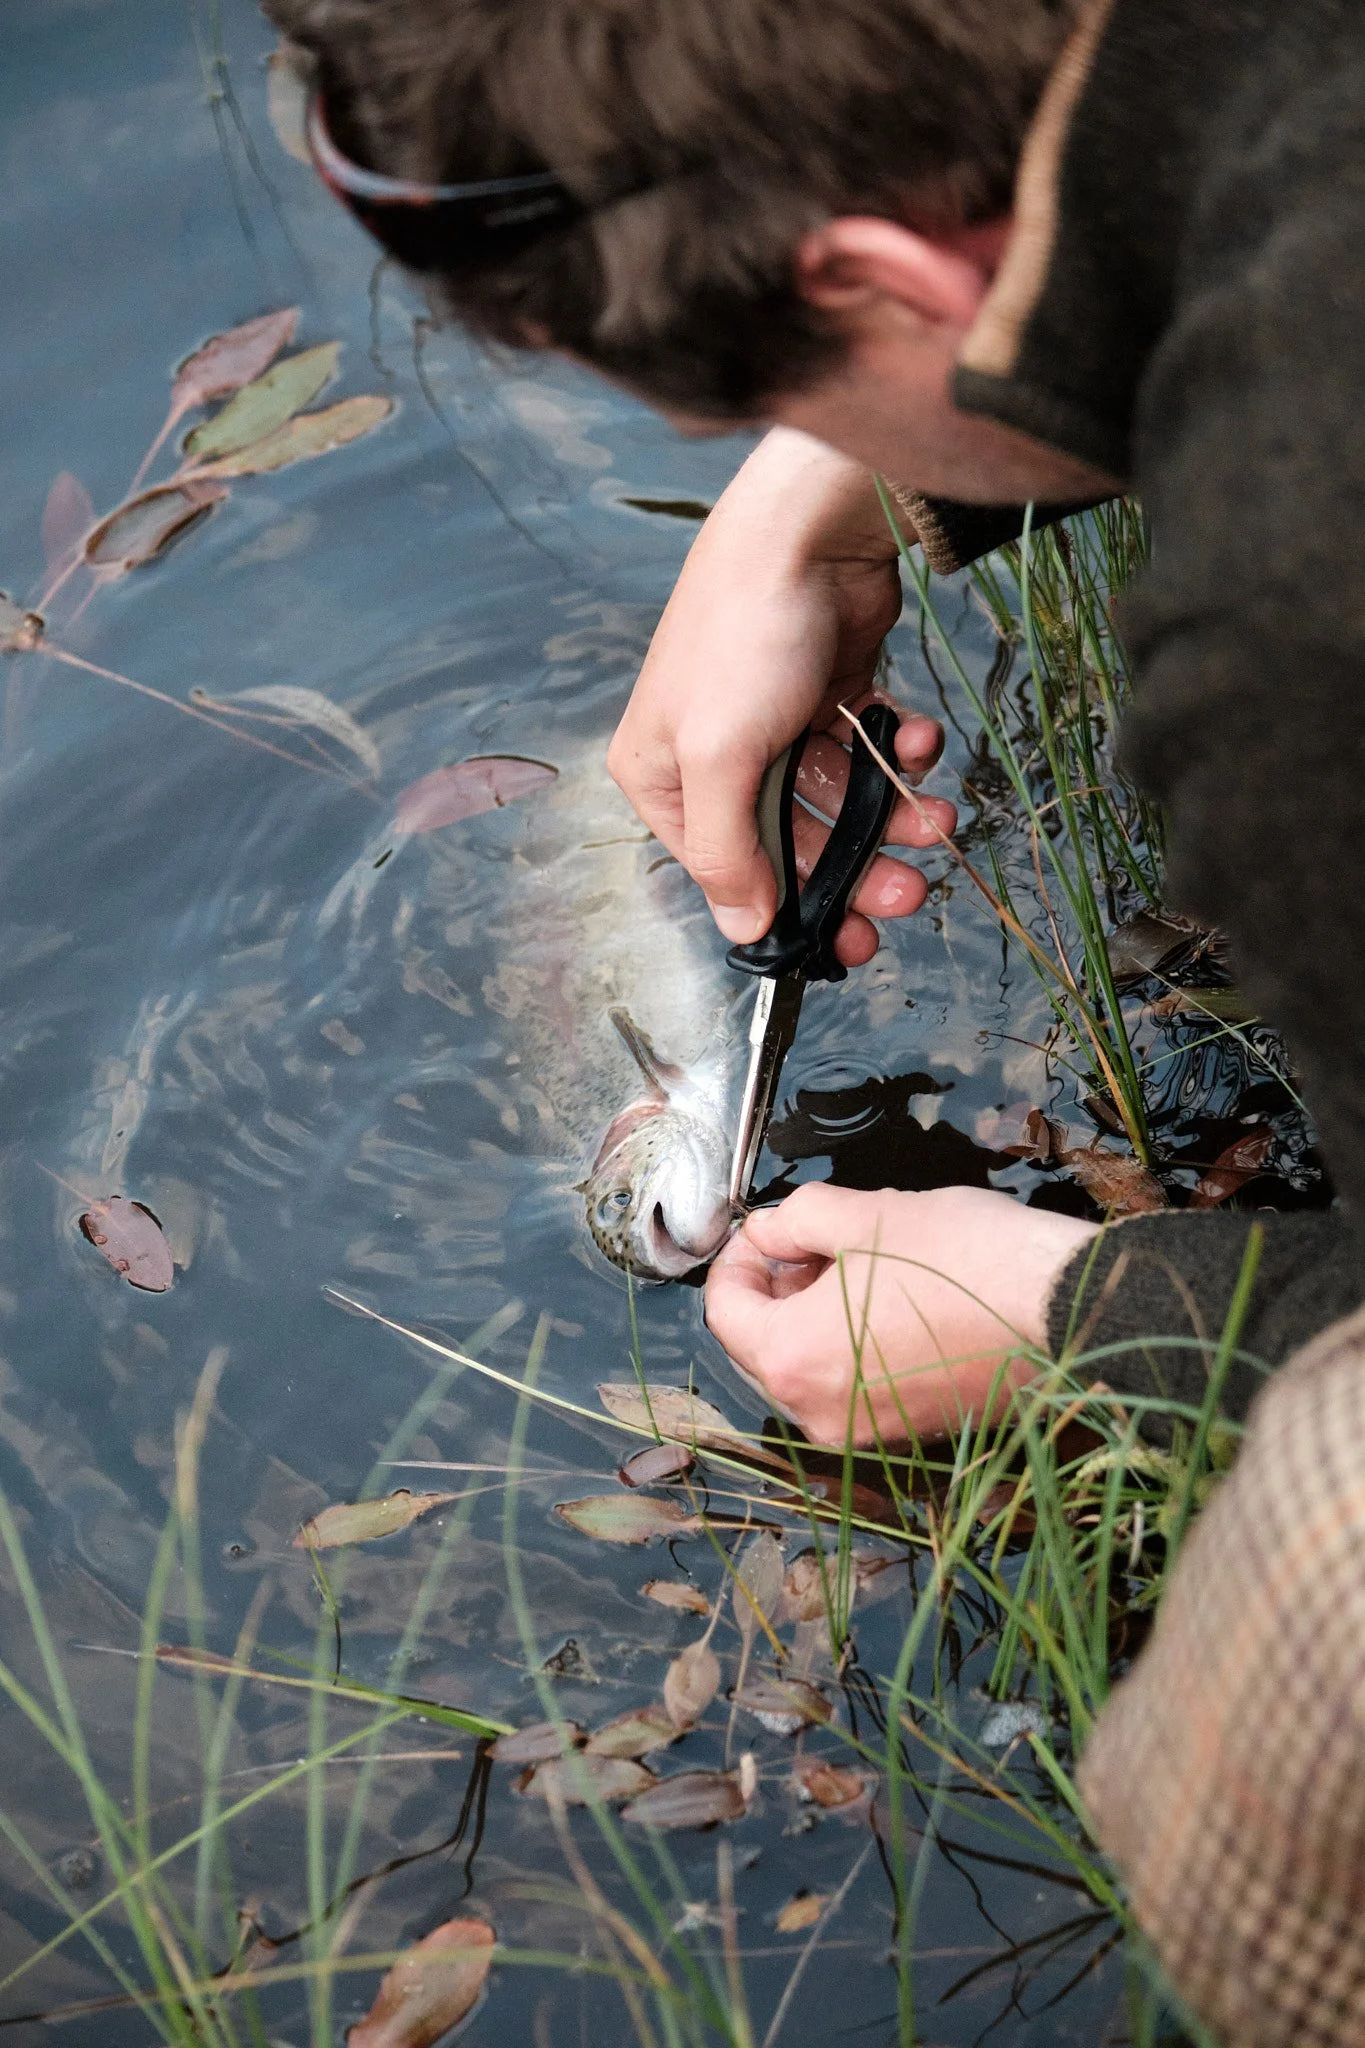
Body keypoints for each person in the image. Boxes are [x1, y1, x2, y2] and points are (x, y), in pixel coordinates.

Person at [268, 1, 1365, 2038]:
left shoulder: (1295, 642)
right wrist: (852, 478)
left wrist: (1068, 1309)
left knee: (1276, 1718)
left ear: (879, 271)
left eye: (792, 377)